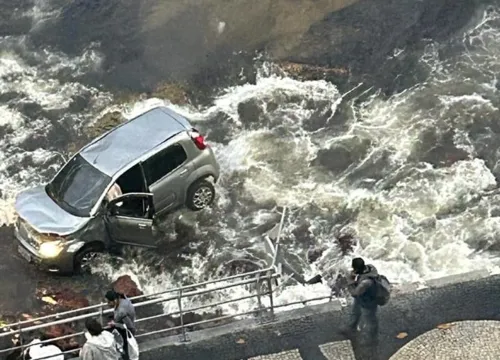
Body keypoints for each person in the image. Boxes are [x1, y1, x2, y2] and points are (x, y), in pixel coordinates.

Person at [343, 257, 380, 343]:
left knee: (370, 319)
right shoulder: (371, 267)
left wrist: (349, 282)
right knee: (355, 312)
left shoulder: (365, 283)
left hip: (368, 301)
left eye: (354, 268)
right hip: (362, 297)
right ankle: (351, 327)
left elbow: (354, 293)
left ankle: (372, 338)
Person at [105, 290, 136, 360]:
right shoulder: (124, 299)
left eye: (109, 302)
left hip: (126, 334)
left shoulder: (121, 311)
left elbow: (130, 327)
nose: (107, 304)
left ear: (115, 300)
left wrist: (115, 324)